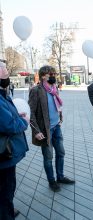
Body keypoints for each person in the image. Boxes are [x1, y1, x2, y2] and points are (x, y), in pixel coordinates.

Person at [28, 65, 74, 192]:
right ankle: (52, 181)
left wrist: (60, 118)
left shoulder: (54, 89)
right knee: (48, 157)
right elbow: (30, 112)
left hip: (56, 127)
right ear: (43, 76)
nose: (54, 76)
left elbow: (57, 105)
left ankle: (60, 176)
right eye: (51, 74)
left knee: (61, 152)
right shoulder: (36, 90)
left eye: (54, 74)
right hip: (45, 130)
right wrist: (36, 131)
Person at [0, 61, 29, 220]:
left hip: (4, 155)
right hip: (4, 156)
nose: (7, 77)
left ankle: (7, 209)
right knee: (6, 190)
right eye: (4, 74)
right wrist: (23, 122)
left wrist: (17, 116)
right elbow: (9, 124)